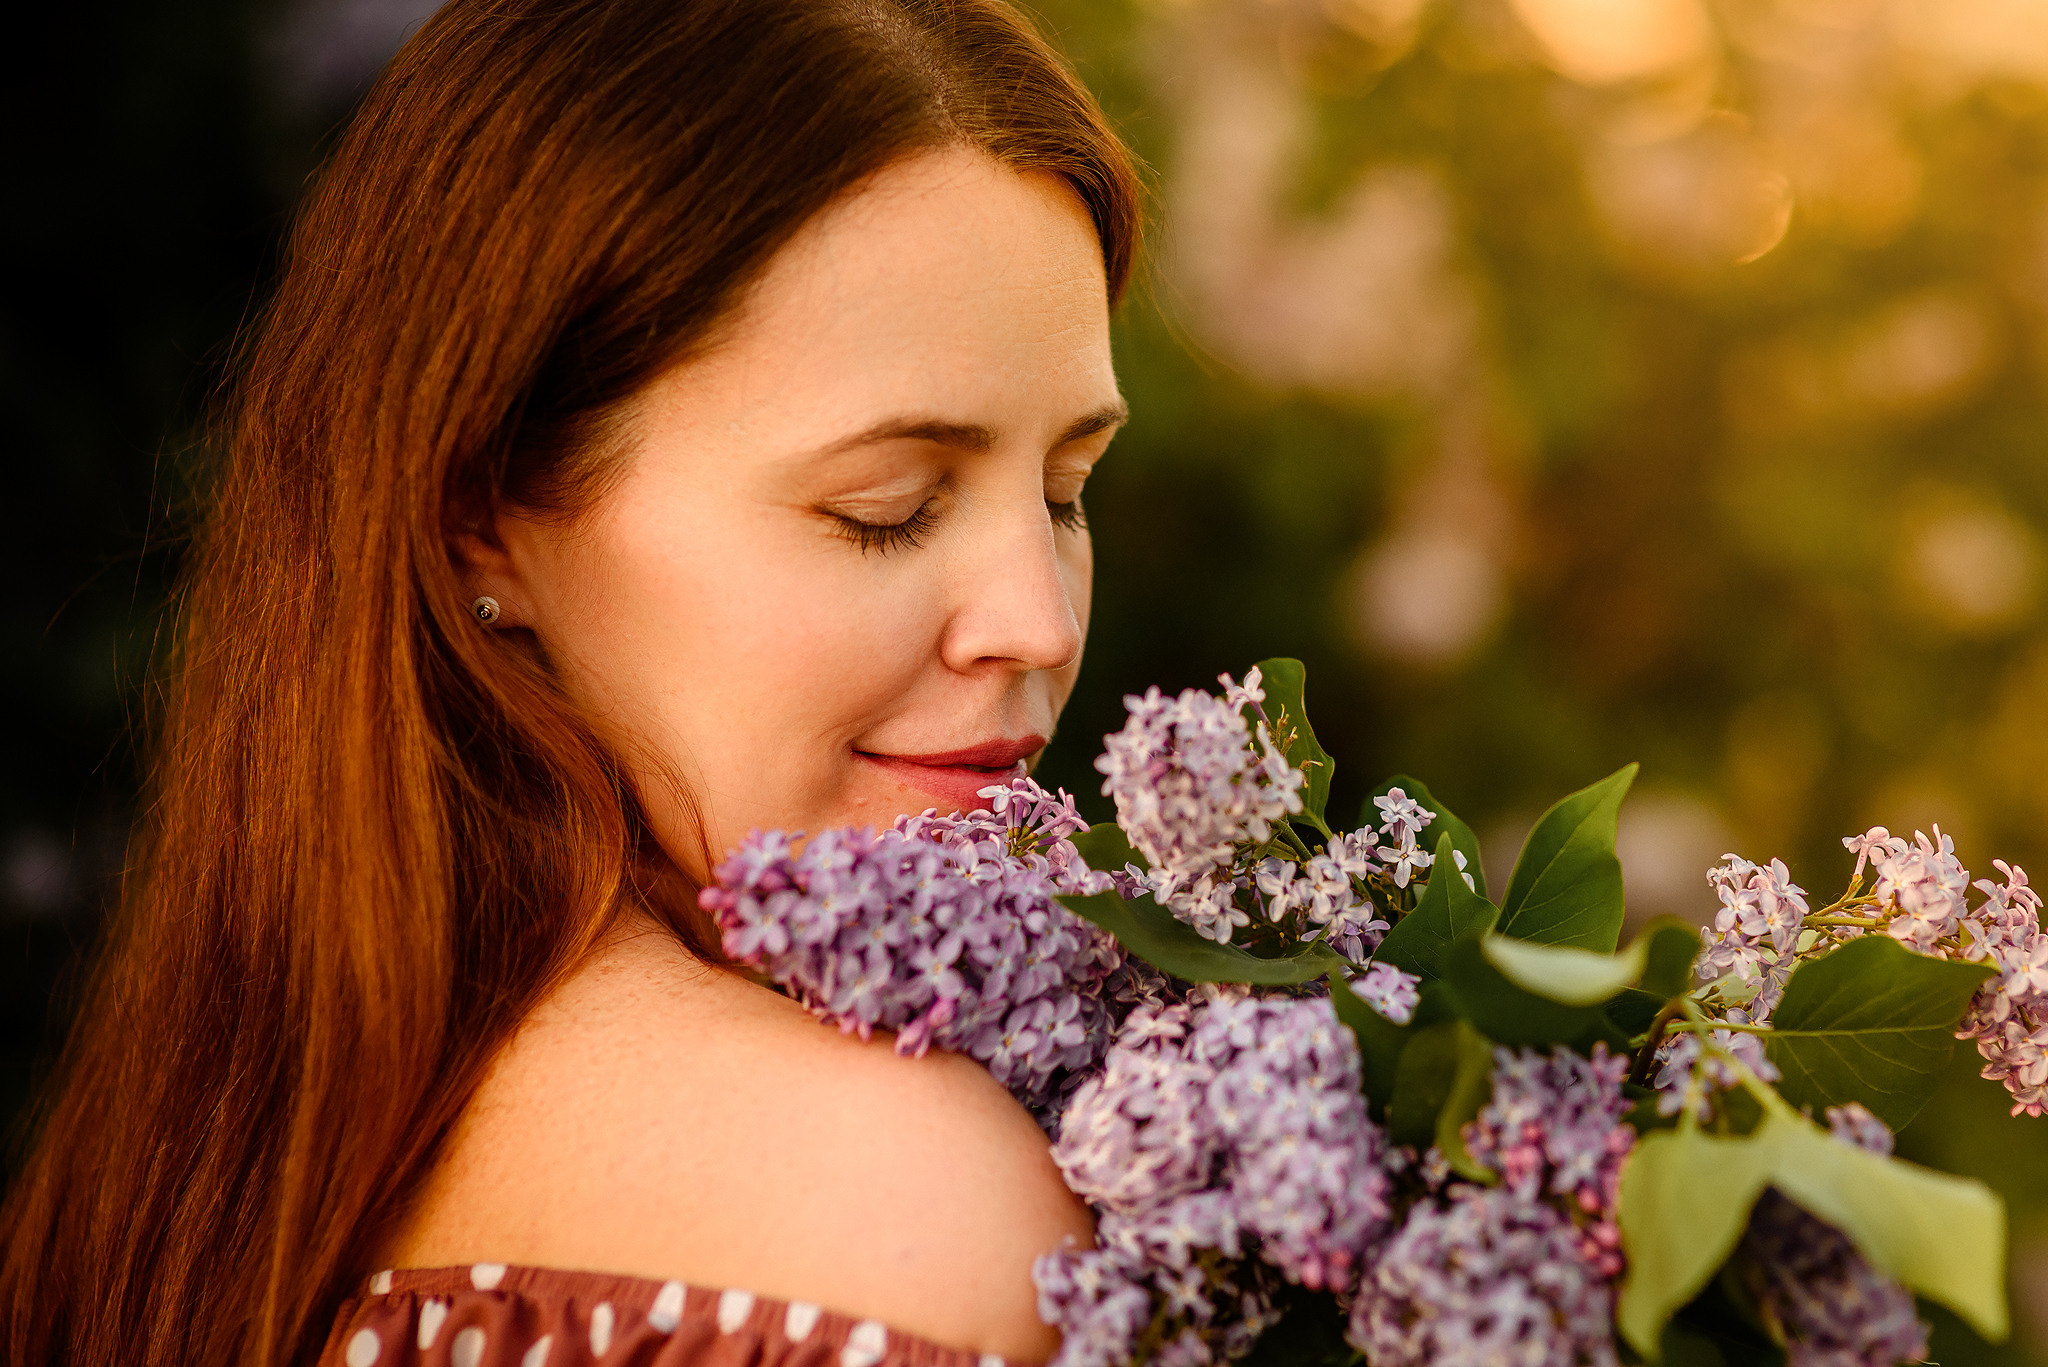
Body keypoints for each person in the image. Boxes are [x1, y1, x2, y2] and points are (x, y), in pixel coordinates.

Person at [0, 2, 1143, 1363]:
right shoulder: (900, 1214)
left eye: (1067, 491)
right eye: (885, 508)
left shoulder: (201, 1152)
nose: (1035, 621)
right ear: (487, 517)